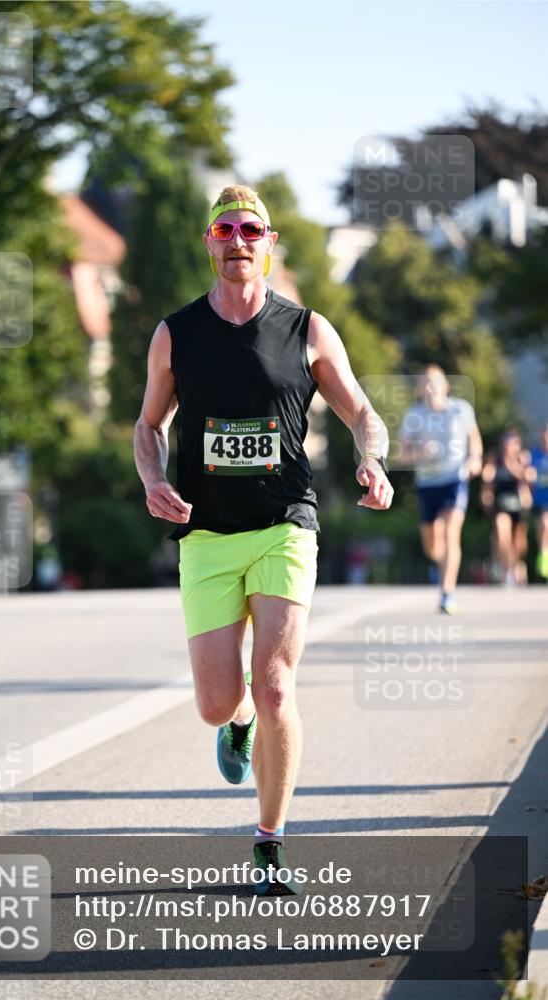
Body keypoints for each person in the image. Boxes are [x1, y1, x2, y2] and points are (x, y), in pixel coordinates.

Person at [134, 184, 393, 895]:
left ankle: (269, 841)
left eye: (251, 230)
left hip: (284, 524)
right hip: (206, 532)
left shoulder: (307, 329)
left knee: (276, 683)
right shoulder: (176, 334)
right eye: (225, 230)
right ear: (209, 243)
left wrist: (372, 459)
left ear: (269, 243)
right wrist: (152, 478)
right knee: (218, 703)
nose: (238, 241)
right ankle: (237, 720)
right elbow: (149, 425)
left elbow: (361, 412)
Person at [398, 365, 482, 614]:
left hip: (455, 479)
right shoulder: (415, 415)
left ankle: (447, 593)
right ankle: (442, 564)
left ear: (446, 385)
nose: (430, 387)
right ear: (419, 389)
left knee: (450, 531)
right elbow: (401, 455)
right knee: (432, 546)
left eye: (434, 382)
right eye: (425, 383)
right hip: (427, 483)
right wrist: (419, 454)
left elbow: (474, 438)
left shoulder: (461, 409)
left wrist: (475, 458)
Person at [481, 430, 533, 586]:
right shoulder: (495, 460)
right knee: (502, 535)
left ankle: (517, 565)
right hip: (501, 505)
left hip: (518, 505)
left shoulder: (522, 459)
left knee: (518, 543)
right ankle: (506, 570)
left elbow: (527, 477)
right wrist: (486, 495)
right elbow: (487, 479)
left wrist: (511, 464)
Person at [529, 424, 548, 581]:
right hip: (541, 501)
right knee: (544, 524)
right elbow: (527, 474)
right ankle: (543, 555)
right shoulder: (534, 455)